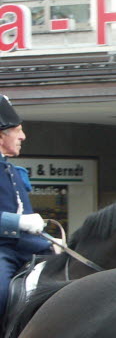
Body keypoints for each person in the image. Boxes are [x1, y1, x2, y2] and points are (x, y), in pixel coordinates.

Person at [0, 95, 52, 317]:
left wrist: (49, 240)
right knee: (1, 292)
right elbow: (22, 220)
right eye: (17, 130)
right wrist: (18, 222)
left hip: (30, 247)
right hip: (3, 250)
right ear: (1, 135)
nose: (23, 136)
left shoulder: (13, 170)